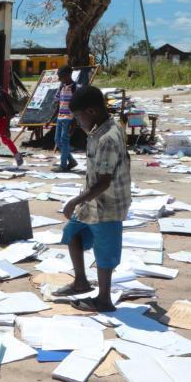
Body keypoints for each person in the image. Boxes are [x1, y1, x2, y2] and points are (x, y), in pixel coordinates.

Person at [52, 86, 131, 313]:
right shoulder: (99, 130)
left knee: (105, 252)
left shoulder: (108, 138)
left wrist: (74, 201)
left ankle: (104, 299)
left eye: (78, 116)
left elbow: (104, 182)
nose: (77, 121)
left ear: (92, 110)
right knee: (73, 234)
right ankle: (80, 282)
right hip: (92, 200)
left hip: (108, 204)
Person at [54, 65, 78, 172]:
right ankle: (71, 161)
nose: (59, 79)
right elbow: (58, 103)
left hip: (69, 118)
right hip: (60, 117)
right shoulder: (61, 87)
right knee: (57, 140)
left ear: (68, 75)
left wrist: (74, 123)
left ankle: (63, 165)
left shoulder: (75, 88)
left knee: (64, 140)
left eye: (61, 76)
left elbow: (77, 107)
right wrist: (52, 118)